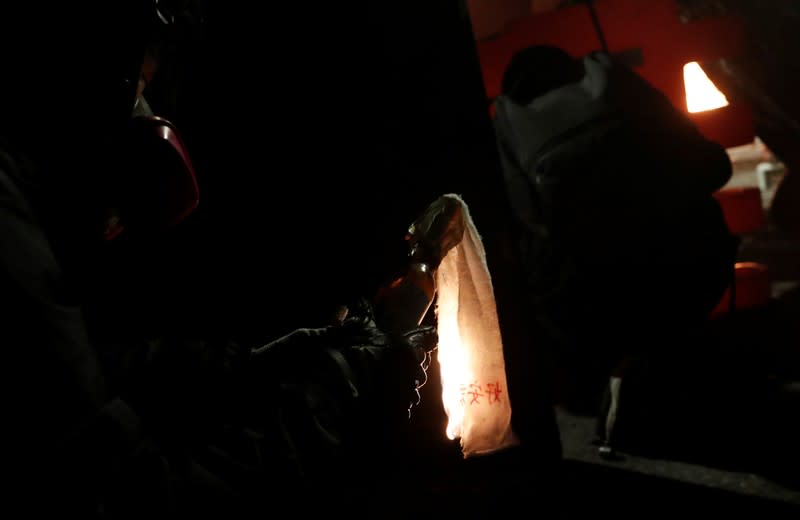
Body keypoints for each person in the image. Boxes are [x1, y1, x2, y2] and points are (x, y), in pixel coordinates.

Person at [0, 1, 437, 516]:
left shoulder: (28, 224)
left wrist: (257, 365)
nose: (145, 122)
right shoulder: (13, 244)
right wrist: (338, 389)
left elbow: (103, 374)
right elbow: (135, 498)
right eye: (138, 88)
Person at [492, 45, 740, 445]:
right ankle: (672, 362)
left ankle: (611, 380)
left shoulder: (509, 126)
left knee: (534, 263)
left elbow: (527, 223)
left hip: (590, 299)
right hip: (691, 265)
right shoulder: (619, 89)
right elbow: (716, 168)